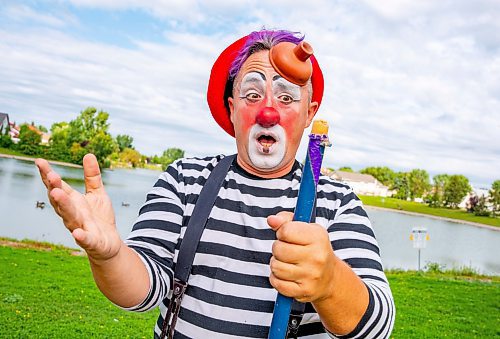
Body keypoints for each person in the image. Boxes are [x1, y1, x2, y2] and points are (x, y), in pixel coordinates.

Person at [36, 29, 395, 338]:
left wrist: (330, 282)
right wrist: (110, 256)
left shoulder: (338, 201)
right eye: (252, 95)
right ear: (232, 108)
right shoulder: (185, 179)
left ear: (309, 114)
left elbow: (377, 327)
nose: (267, 110)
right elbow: (141, 291)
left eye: (287, 97)